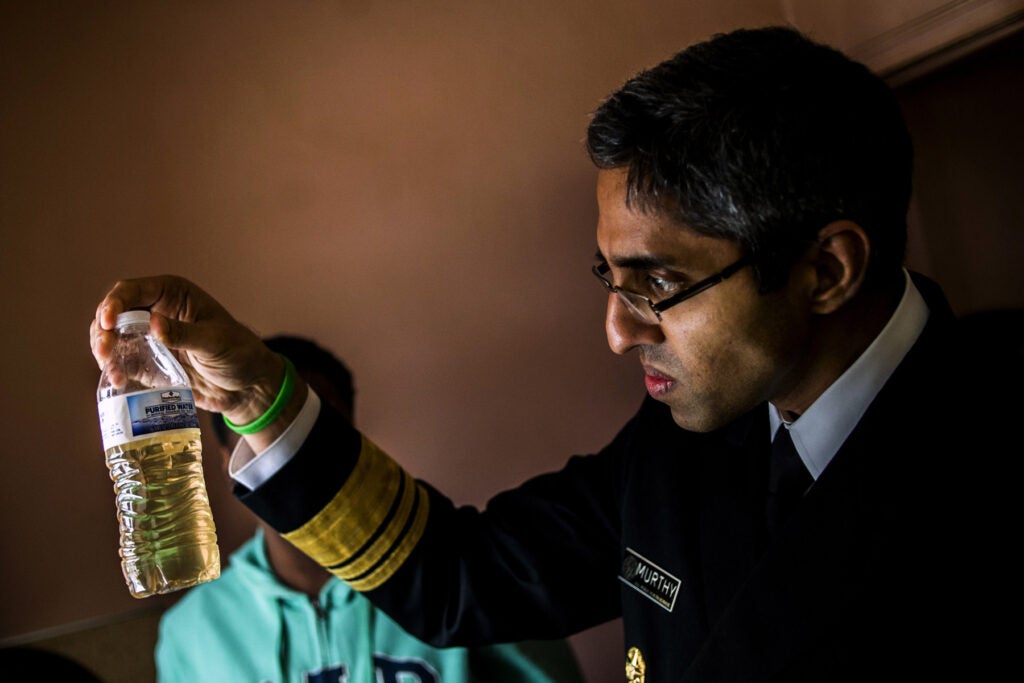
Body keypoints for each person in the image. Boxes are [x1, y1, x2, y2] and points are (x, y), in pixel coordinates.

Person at [91, 26, 1015, 682]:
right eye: (607, 279)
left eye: (656, 285)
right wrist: (254, 386)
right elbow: (460, 576)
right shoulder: (683, 438)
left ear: (826, 268)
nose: (618, 331)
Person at [154, 336, 585, 683]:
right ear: (226, 461)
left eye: (311, 434)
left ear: (354, 442)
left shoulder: (451, 574)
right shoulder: (192, 632)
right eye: (260, 439)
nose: (292, 463)